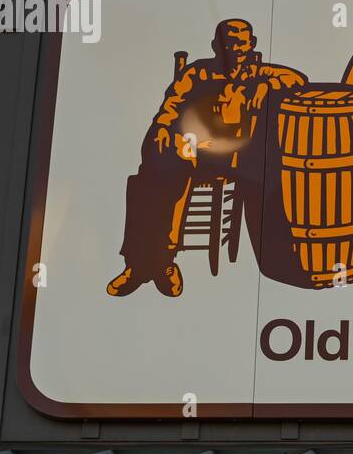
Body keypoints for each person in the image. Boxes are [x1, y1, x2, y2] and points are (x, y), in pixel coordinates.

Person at [106, 18, 306, 297]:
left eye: (241, 43)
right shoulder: (198, 73)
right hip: (196, 149)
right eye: (229, 43)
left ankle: (159, 264)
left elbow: (298, 80)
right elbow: (171, 107)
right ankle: (141, 264)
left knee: (170, 172)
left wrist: (267, 87)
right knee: (148, 178)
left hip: (237, 158)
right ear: (216, 46)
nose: (235, 49)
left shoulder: (260, 74)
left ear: (251, 45)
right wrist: (162, 129)